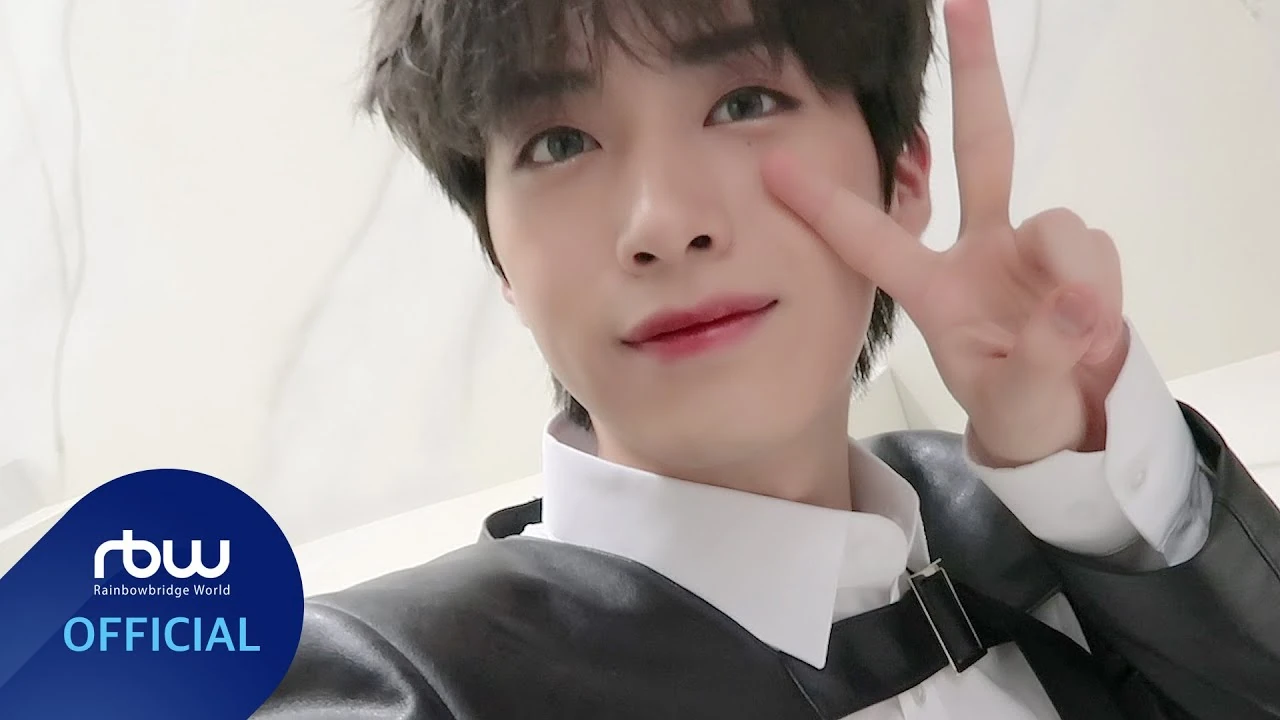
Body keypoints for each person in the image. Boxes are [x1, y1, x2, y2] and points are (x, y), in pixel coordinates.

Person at [254, 0, 1280, 717]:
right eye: (559, 143)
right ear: (501, 262)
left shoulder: (1044, 527)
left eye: (741, 103)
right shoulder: (407, 678)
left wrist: (1097, 470)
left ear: (900, 174)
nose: (663, 225)